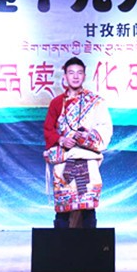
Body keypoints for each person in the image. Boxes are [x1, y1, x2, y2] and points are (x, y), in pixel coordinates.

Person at [43, 57, 113, 229]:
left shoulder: (95, 102)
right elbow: (48, 130)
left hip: (87, 162)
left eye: (79, 73)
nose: (75, 76)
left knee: (88, 210)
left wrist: (84, 137)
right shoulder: (56, 103)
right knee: (62, 212)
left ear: (84, 76)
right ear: (65, 76)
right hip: (65, 162)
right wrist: (61, 139)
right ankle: (60, 245)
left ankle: (90, 246)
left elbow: (105, 129)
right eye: (71, 73)